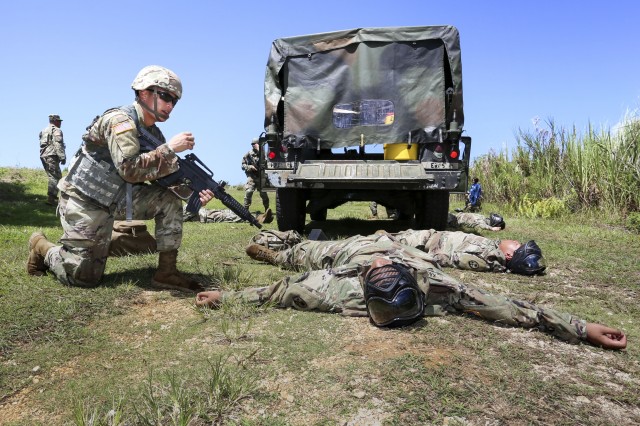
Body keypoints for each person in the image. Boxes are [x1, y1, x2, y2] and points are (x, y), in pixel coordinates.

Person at [27, 65, 215, 292]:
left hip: (117, 198)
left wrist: (193, 195)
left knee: (168, 200)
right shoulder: (120, 121)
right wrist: (170, 149)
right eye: (165, 96)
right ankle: (42, 247)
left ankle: (167, 273)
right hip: (85, 200)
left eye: (174, 101)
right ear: (144, 93)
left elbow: (163, 180)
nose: (170, 105)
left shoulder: (154, 134)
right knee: (83, 278)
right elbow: (130, 169)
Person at [196, 256, 626, 350]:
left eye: (379, 275)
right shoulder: (434, 283)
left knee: (298, 251)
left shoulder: (332, 289)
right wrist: (581, 327)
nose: (381, 266)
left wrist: (225, 297)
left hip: (345, 252)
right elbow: (509, 307)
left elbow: (277, 290)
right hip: (411, 246)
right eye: (387, 273)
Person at [246, 228, 546, 275]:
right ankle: (288, 243)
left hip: (407, 245)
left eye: (517, 247)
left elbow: (440, 258)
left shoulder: (484, 257)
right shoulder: (492, 246)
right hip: (416, 237)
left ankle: (278, 252)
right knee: (346, 243)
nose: (514, 242)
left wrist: (397, 247)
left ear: (509, 256)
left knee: (328, 250)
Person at [38, 114, 67, 206]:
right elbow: (58, 144)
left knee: (55, 176)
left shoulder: (43, 130)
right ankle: (51, 199)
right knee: (55, 177)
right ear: (55, 121)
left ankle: (53, 197)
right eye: (59, 121)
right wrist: (62, 156)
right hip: (52, 156)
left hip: (44, 156)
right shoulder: (57, 130)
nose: (60, 123)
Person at [241, 139, 269, 212]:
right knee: (249, 192)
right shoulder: (248, 154)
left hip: (261, 177)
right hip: (252, 177)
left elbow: (267, 161)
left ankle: (267, 209)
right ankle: (245, 210)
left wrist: (260, 150)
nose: (253, 145)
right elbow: (242, 165)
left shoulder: (263, 153)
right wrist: (250, 167)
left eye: (255, 144)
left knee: (263, 194)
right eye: (252, 144)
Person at [183, 205, 273, 224]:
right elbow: (186, 214)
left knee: (231, 212)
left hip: (206, 212)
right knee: (230, 216)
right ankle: (258, 219)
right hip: (206, 217)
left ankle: (259, 216)